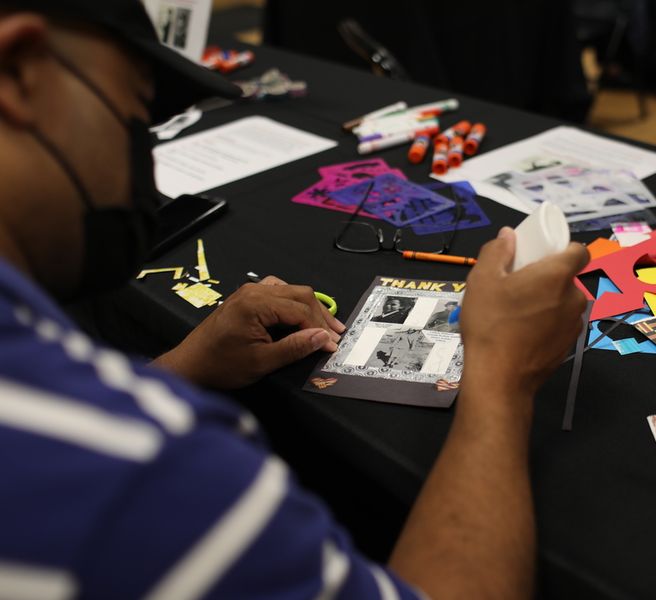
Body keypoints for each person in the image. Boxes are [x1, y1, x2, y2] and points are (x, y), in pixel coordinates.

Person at [0, 1, 588, 598]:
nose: (146, 174)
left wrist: (182, 366)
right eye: (134, 120)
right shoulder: (148, 465)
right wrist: (500, 381)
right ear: (22, 71)